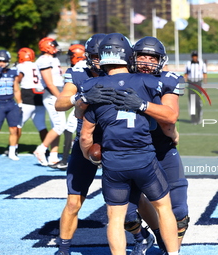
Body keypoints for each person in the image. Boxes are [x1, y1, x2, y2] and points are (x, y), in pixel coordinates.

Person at [80, 33, 179, 255]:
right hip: (144, 159)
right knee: (164, 208)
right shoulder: (150, 81)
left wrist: (89, 156)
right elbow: (168, 115)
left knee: (115, 218)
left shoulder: (92, 86)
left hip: (113, 162)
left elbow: (86, 134)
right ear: (128, 55)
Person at [116, 36, 188, 255]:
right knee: (126, 213)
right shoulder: (120, 78)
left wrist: (143, 106)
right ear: (132, 58)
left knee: (179, 213)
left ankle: (170, 250)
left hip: (161, 148)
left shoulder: (169, 79)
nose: (147, 61)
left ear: (161, 60)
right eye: (142, 56)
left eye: (152, 57)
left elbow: (170, 117)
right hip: (130, 150)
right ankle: (146, 237)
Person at [53, 33, 107, 255]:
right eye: (95, 56)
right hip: (85, 142)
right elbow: (60, 103)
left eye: (104, 55)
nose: (100, 61)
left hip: (117, 141)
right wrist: (81, 97)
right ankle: (64, 248)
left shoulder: (123, 72)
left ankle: (142, 236)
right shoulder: (77, 72)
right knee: (74, 202)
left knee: (130, 203)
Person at [51, 44, 86, 170]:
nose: (70, 58)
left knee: (69, 128)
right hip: (83, 102)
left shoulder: (79, 67)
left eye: (71, 55)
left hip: (83, 103)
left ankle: (65, 160)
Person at [33, 37, 66, 166]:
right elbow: (49, 83)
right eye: (54, 46)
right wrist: (61, 97)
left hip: (56, 92)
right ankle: (41, 150)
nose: (56, 48)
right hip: (52, 94)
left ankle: (53, 155)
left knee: (56, 126)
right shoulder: (44, 60)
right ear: (47, 47)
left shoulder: (52, 59)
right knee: (59, 126)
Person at [0, 50, 22, 160]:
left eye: (3, 61)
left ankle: (12, 152)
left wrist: (20, 103)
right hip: (0, 104)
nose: (1, 63)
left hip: (11, 103)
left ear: (8, 61)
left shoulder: (13, 72)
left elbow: (16, 89)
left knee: (13, 129)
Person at [16, 47, 48, 154]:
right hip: (40, 95)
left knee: (18, 124)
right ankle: (45, 149)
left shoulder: (21, 66)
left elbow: (17, 80)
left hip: (27, 95)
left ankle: (13, 147)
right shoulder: (37, 64)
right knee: (41, 126)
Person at [184, 51, 207, 124]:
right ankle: (193, 118)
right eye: (193, 56)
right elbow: (186, 75)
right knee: (191, 101)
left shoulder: (202, 63)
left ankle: (199, 117)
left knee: (198, 101)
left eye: (196, 56)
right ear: (191, 57)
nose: (194, 57)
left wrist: (205, 85)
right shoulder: (188, 64)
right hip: (191, 83)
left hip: (198, 83)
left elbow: (205, 74)